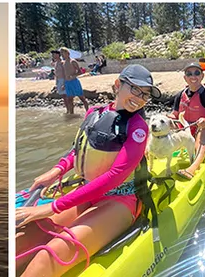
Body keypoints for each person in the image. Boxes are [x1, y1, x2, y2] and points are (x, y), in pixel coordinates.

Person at [16, 65, 164, 277]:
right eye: (135, 89)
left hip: (119, 200)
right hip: (87, 194)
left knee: (49, 255)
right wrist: (56, 171)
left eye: (145, 95)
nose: (139, 98)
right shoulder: (94, 113)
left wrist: (52, 207)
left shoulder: (137, 127)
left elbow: (115, 177)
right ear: (117, 85)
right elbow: (79, 150)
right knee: (28, 235)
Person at [168, 64, 205, 179]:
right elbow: (175, 115)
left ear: (202, 76)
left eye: (196, 73)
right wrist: (166, 119)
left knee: (204, 129)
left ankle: (193, 168)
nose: (193, 76)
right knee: (164, 125)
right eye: (189, 74)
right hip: (186, 130)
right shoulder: (180, 94)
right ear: (185, 78)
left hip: (204, 130)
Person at [57, 48, 90, 115]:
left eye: (63, 53)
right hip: (67, 83)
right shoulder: (63, 63)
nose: (62, 55)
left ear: (67, 53)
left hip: (74, 82)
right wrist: (63, 84)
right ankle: (72, 114)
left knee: (82, 98)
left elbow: (80, 72)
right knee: (70, 100)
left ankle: (88, 112)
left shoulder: (73, 61)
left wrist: (73, 76)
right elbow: (64, 74)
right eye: (61, 53)